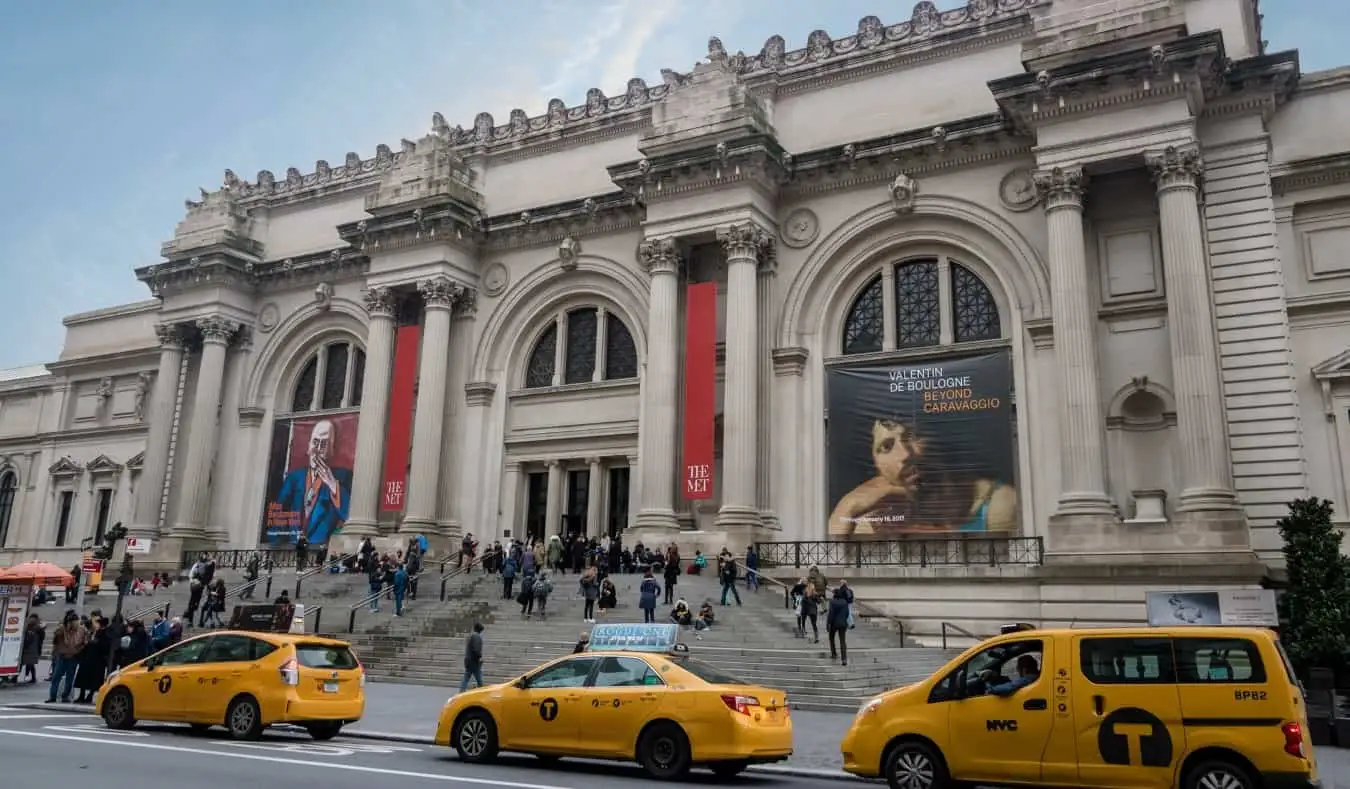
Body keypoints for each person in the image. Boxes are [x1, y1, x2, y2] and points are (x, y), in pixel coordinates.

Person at [274, 419, 354, 544]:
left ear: (333, 449)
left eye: (324, 443)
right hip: (290, 552)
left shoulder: (344, 477)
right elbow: (276, 516)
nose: (317, 449)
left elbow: (351, 517)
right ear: (308, 445)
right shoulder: (294, 478)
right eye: (315, 442)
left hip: (320, 552)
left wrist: (333, 485)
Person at [47, 612, 87, 703]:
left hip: (73, 656)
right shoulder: (62, 630)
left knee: (70, 677)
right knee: (56, 676)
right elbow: (55, 641)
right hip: (62, 655)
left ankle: (65, 696)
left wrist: (78, 650)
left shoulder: (82, 630)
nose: (75, 624)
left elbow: (85, 642)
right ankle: (53, 696)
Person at [827, 587, 851, 666]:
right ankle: (844, 659)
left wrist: (829, 623)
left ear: (834, 594)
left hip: (834, 623)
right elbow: (847, 613)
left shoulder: (832, 602)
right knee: (842, 641)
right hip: (843, 623)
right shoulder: (845, 602)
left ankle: (834, 653)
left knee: (831, 637)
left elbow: (831, 613)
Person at [459, 623, 485, 693]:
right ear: (480, 630)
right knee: (478, 678)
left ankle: (461, 691)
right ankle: (482, 691)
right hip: (474, 661)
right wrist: (480, 657)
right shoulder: (476, 636)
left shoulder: (471, 636)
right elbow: (476, 649)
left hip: (468, 660)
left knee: (467, 677)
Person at [20, 614, 44, 684]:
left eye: (32, 618)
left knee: (29, 663)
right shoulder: (30, 627)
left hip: (31, 648)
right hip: (30, 647)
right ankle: (31, 677)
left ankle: (31, 677)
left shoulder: (36, 628)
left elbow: (41, 638)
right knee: (29, 663)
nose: (31, 620)